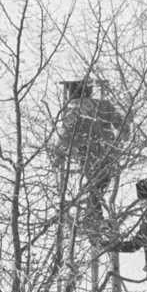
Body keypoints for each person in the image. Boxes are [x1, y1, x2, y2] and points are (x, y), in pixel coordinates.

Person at [52, 78, 126, 232]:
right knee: (97, 188)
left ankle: (92, 220)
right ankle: (93, 220)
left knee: (95, 188)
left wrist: (58, 156)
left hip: (89, 158)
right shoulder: (104, 105)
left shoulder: (73, 113)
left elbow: (65, 138)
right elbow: (121, 124)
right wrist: (123, 137)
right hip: (108, 154)